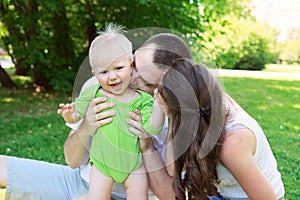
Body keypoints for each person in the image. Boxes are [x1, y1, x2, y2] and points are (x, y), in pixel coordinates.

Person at [0, 32, 191, 200]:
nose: (130, 76)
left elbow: (171, 196)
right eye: (133, 62)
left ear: (165, 87)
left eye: (143, 79)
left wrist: (147, 145)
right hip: (82, 182)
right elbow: (72, 161)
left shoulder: (171, 120)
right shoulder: (101, 88)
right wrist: (86, 126)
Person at [127, 58, 285, 199]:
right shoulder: (203, 104)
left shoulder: (232, 144)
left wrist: (172, 113)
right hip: (223, 194)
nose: (155, 92)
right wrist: (170, 117)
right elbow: (171, 169)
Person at [58, 24, 164, 200]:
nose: (112, 76)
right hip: (102, 164)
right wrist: (70, 115)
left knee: (139, 196)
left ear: (130, 65)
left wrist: (159, 107)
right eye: (104, 72)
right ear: (94, 74)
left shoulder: (143, 99)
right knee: (96, 197)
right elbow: (78, 114)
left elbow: (151, 128)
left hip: (134, 166)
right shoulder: (94, 92)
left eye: (118, 69)